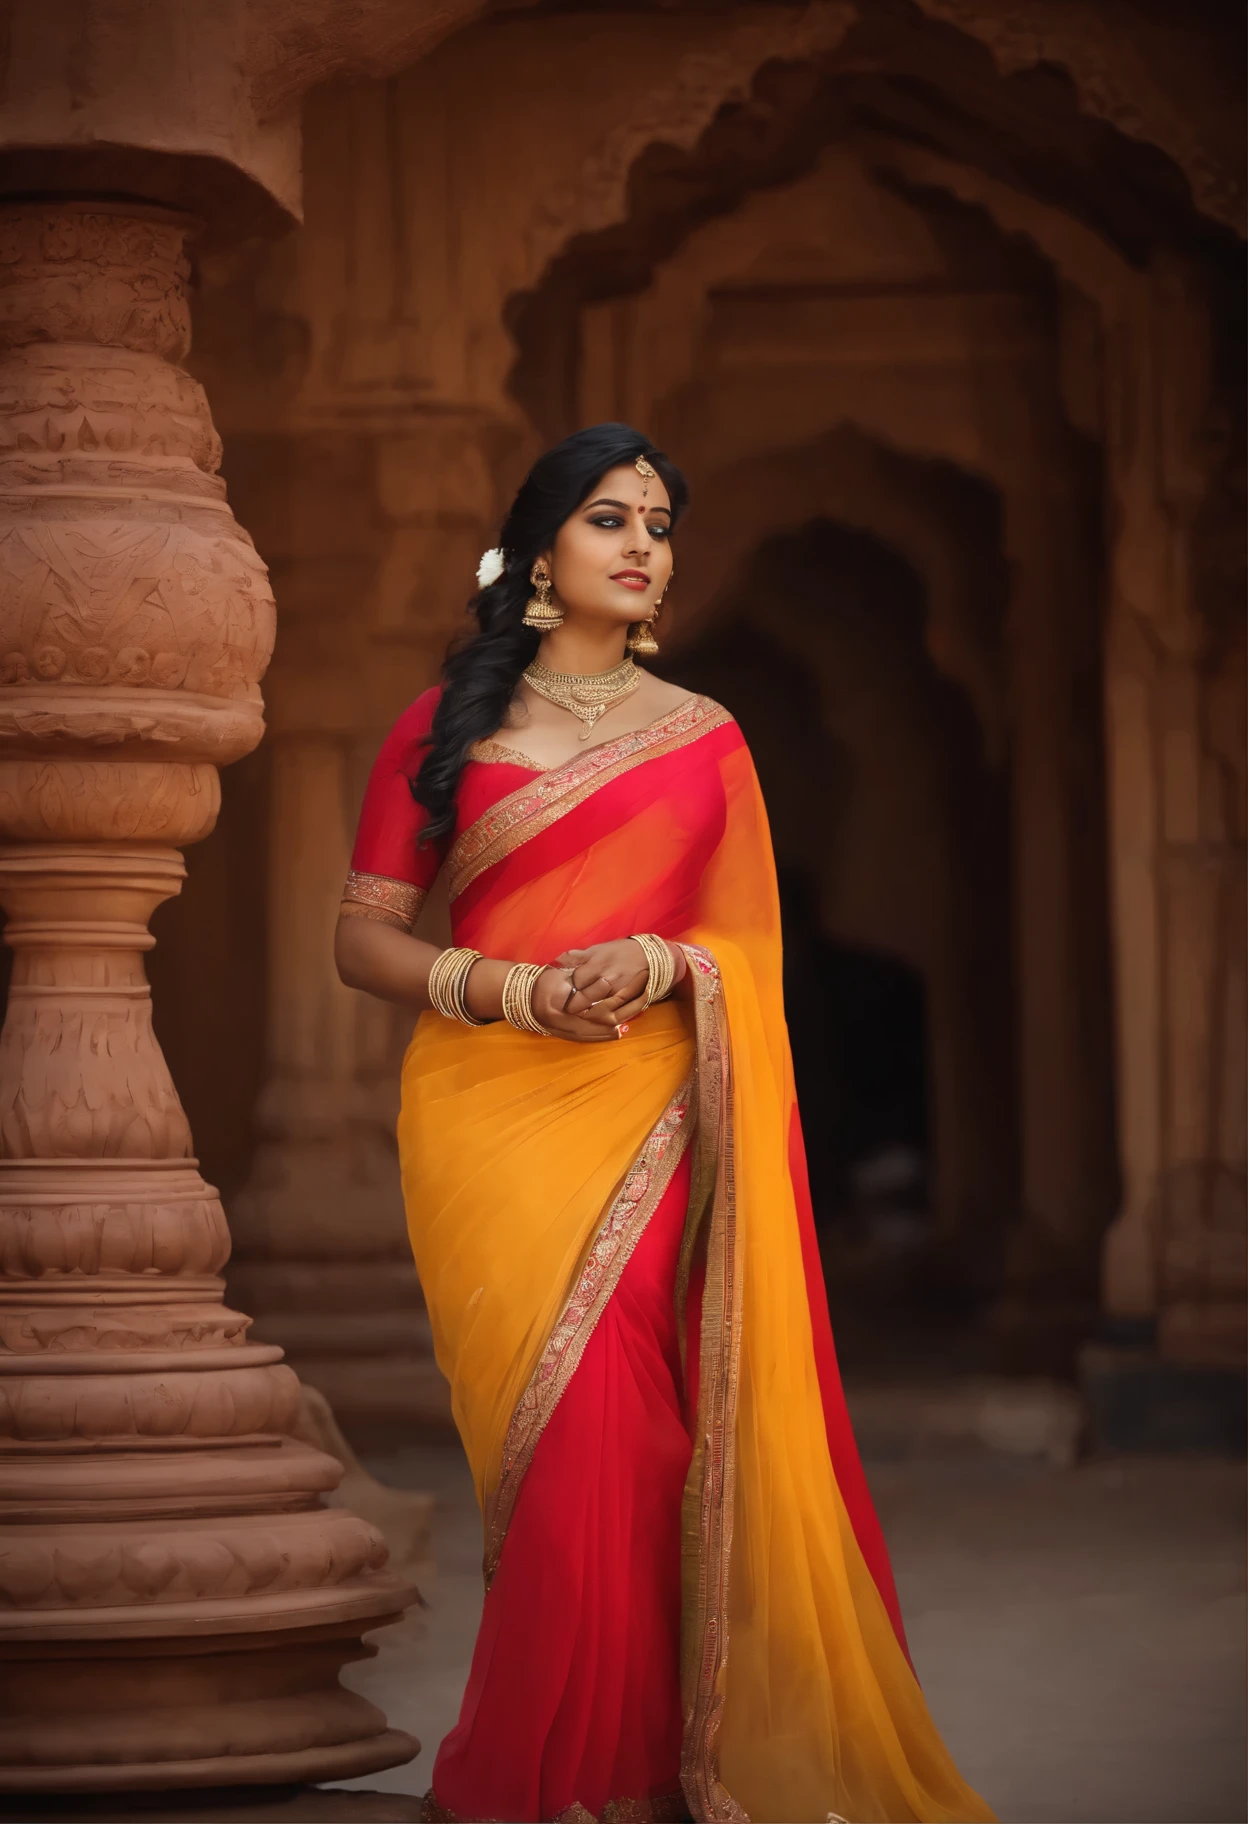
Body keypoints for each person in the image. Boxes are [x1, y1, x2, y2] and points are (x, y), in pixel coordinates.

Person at [335, 424, 995, 1824]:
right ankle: (563, 1773)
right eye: (609, 521)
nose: (644, 547)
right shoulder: (447, 722)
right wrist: (508, 986)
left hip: (654, 1106)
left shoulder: (705, 740)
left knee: (636, 1442)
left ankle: (629, 1772)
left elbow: (743, 947)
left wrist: (655, 966)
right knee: (555, 1436)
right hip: (488, 1120)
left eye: (660, 524)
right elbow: (365, 938)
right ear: (537, 550)